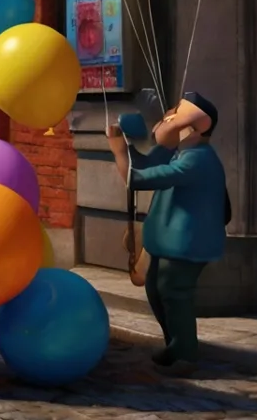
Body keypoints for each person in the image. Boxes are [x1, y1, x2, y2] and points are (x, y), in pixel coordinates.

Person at [107, 91, 229, 372]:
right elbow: (145, 163)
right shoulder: (178, 152)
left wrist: (118, 151)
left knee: (174, 290)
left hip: (188, 243)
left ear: (194, 128)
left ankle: (185, 352)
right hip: (167, 240)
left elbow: (139, 178)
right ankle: (174, 344)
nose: (166, 122)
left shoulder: (197, 159)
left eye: (175, 119)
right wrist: (125, 144)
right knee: (155, 288)